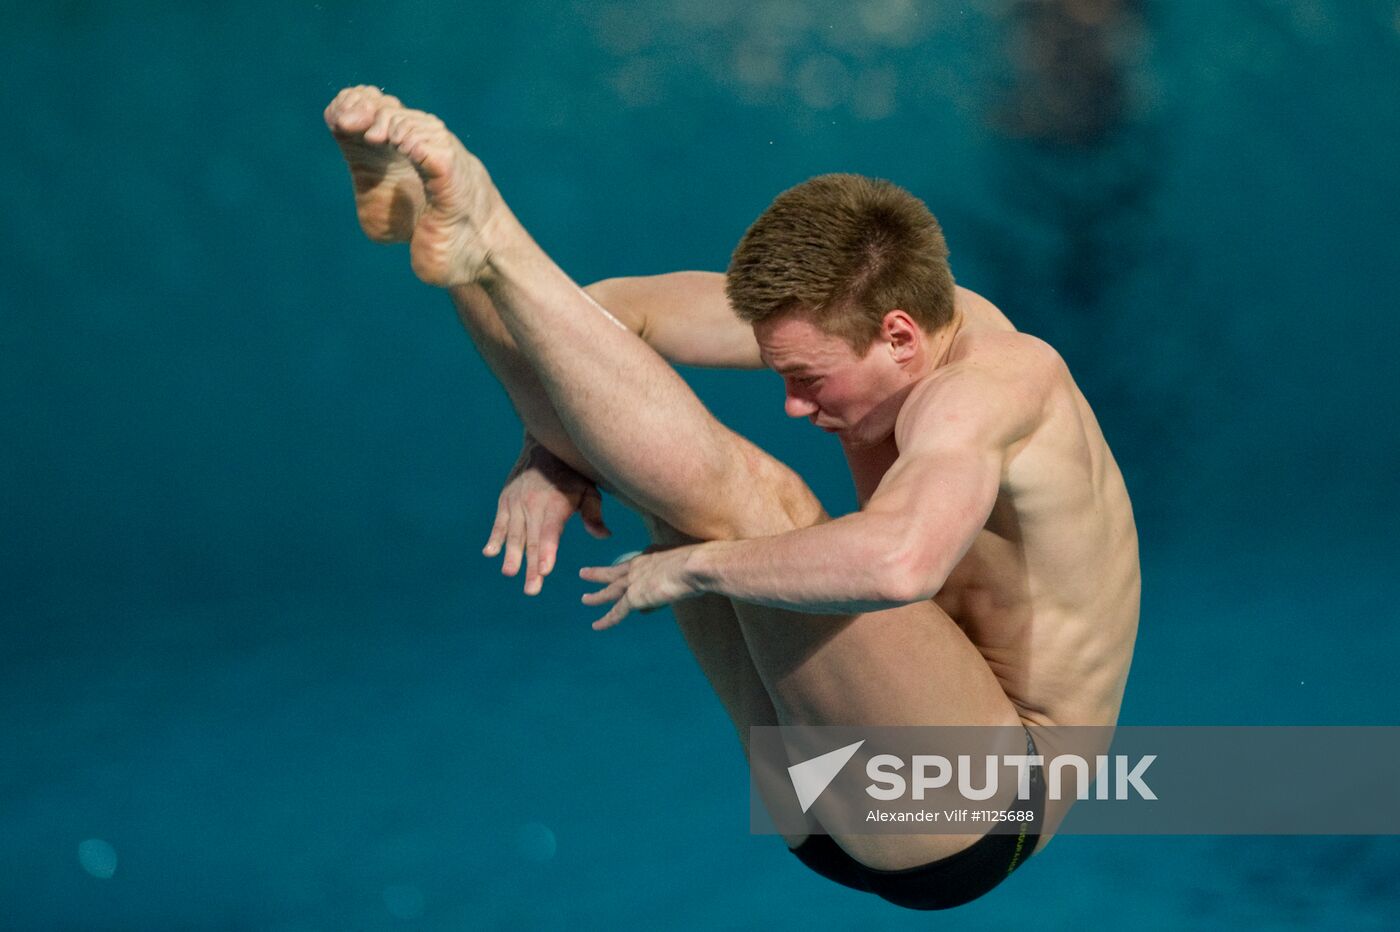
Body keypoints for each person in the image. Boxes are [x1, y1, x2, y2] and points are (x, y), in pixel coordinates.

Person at [324, 85, 1141, 910]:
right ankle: (439, 223)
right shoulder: (864, 316)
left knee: (758, 502)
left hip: (975, 806)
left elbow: (902, 563)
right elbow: (603, 321)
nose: (792, 403)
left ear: (898, 334)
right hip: (831, 786)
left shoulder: (992, 388)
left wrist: (696, 571)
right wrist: (552, 453)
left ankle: (488, 233)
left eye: (808, 380)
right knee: (624, 422)